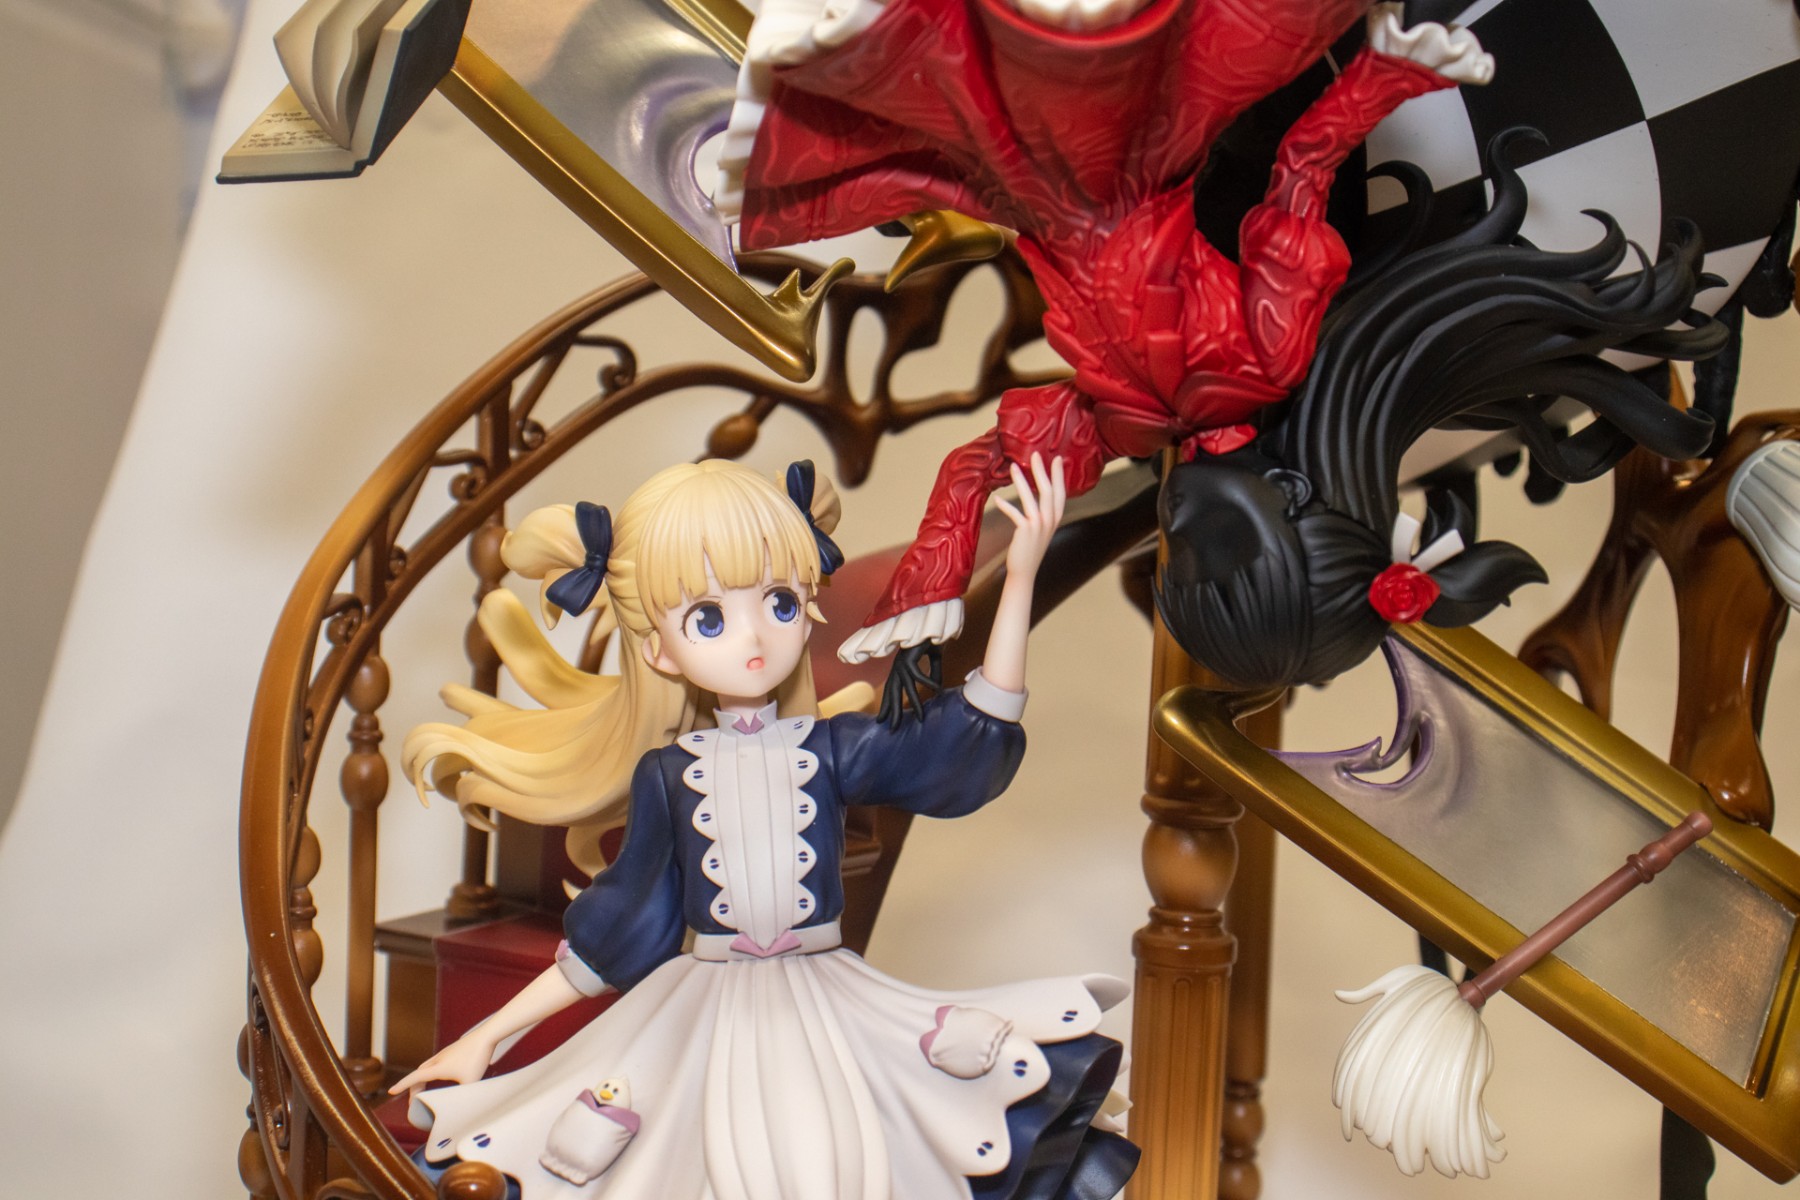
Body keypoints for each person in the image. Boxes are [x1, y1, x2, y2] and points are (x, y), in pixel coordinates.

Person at [393, 455, 1136, 1200]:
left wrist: (1020, 578)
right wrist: (485, 1037)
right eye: (709, 619)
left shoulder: (831, 751)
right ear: (659, 648)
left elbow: (956, 745)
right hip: (707, 1012)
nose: (753, 636)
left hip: (825, 1002)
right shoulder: (669, 776)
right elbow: (616, 934)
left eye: (779, 602)